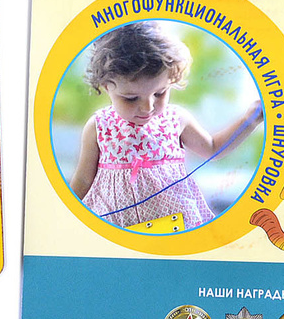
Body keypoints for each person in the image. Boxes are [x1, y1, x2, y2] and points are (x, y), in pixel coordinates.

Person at [70, 22, 263, 229]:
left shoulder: (177, 119)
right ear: (106, 86)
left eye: (160, 93)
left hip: (175, 226)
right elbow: (83, 180)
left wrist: (248, 121)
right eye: (131, 98)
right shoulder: (99, 126)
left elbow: (213, 148)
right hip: (118, 227)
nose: (148, 107)